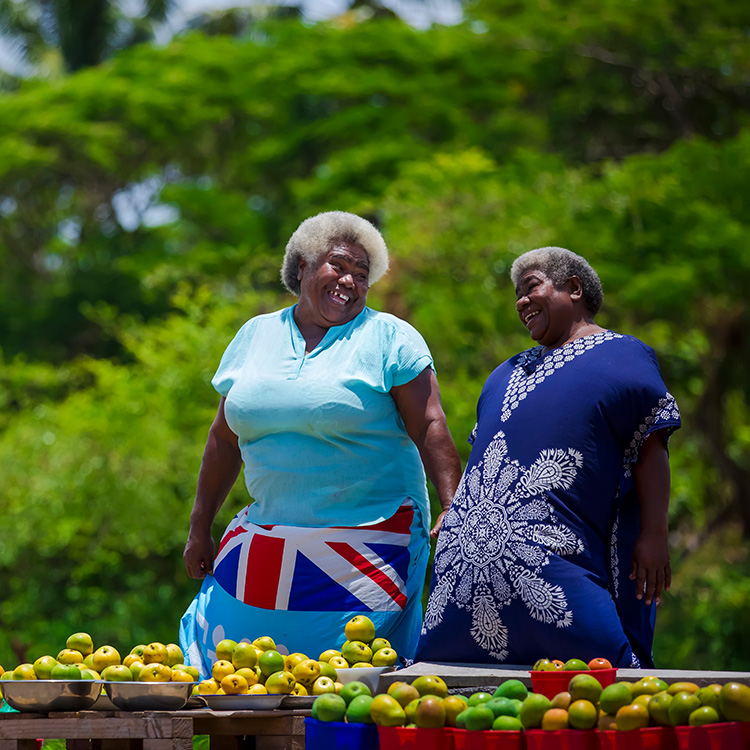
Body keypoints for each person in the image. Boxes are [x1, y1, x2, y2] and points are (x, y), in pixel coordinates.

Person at [179, 211, 461, 676]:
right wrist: (199, 526)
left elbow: (430, 423)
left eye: (361, 274)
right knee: (222, 662)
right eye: (339, 265)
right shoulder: (256, 335)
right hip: (272, 532)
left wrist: (454, 505)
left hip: (368, 539)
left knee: (336, 676)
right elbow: (223, 439)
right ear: (303, 266)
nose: (349, 280)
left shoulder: (388, 336)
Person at [417, 247, 681, 668]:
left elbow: (651, 446)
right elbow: (487, 459)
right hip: (466, 576)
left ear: (573, 288)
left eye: (531, 286)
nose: (521, 302)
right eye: (516, 294)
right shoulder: (503, 374)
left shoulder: (624, 356)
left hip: (560, 563)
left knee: (606, 668)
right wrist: (458, 509)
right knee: (443, 675)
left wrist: (654, 533)